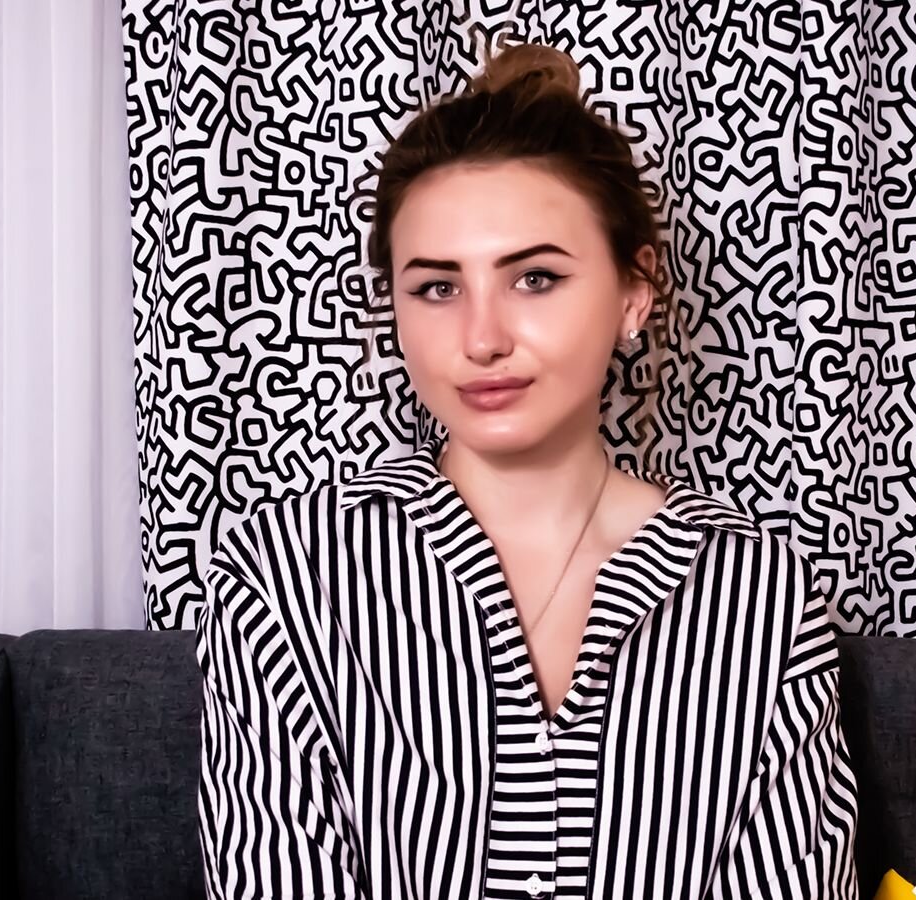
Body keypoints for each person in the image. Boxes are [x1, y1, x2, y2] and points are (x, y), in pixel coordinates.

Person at [195, 40, 859, 900]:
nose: (482, 339)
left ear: (634, 290)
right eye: (437, 288)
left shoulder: (754, 590)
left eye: (535, 278)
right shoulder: (289, 574)